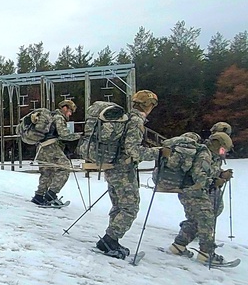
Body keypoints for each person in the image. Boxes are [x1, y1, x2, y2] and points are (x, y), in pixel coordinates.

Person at [96, 90, 161, 259]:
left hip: (111, 166)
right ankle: (109, 240)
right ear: (148, 105)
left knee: (118, 205)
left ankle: (112, 240)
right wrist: (158, 153)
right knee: (130, 207)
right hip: (123, 170)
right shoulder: (136, 121)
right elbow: (132, 149)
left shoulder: (124, 117)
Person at [167, 132, 234, 265]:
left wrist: (221, 174)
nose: (222, 153)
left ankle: (178, 246)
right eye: (222, 149)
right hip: (193, 192)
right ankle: (206, 254)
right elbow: (199, 177)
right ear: (216, 144)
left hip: (191, 191)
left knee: (195, 220)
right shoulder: (204, 154)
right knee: (206, 219)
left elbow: (208, 172)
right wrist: (215, 182)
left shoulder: (209, 155)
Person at [31, 100, 81, 207]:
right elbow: (63, 134)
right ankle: (51, 194)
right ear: (65, 108)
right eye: (70, 111)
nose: (70, 114)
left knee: (47, 172)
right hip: (51, 148)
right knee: (65, 168)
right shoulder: (59, 118)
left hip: (41, 148)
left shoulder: (50, 117)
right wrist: (79, 136)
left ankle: (39, 196)